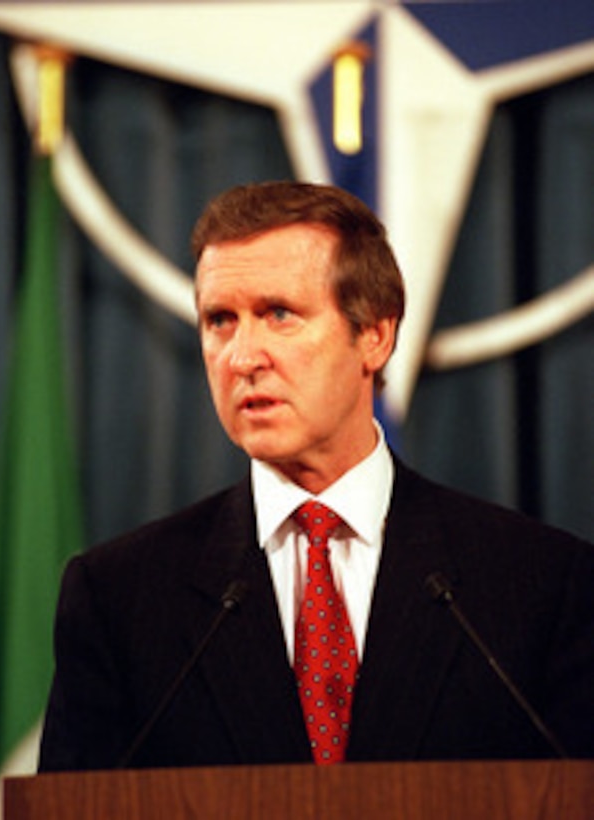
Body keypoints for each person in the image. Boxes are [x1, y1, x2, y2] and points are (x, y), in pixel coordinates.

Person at [39, 181, 594, 772]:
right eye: (219, 320)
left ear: (375, 335)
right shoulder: (119, 599)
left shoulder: (540, 584)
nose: (242, 357)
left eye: (279, 314)